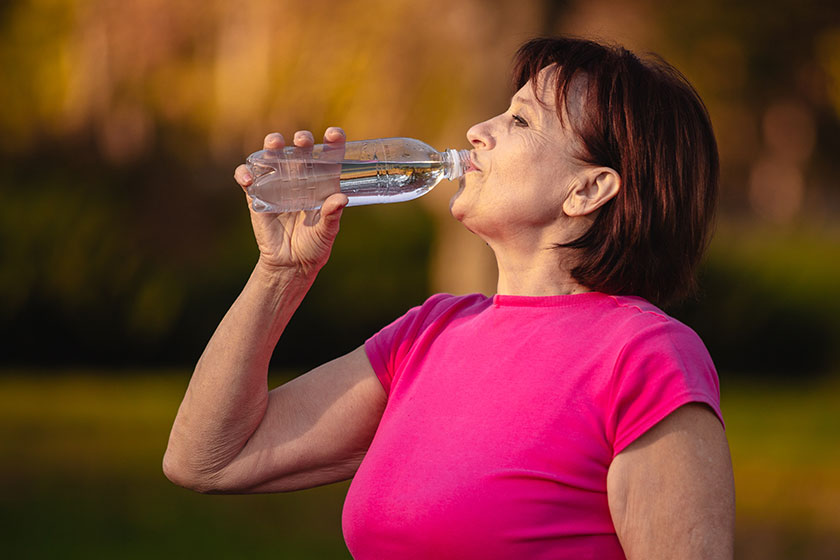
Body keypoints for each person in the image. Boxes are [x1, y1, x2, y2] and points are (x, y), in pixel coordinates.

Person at [164, 36, 735, 559]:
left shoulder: (645, 356)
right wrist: (280, 271)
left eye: (520, 120)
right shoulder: (429, 333)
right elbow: (207, 458)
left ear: (587, 189)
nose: (478, 131)